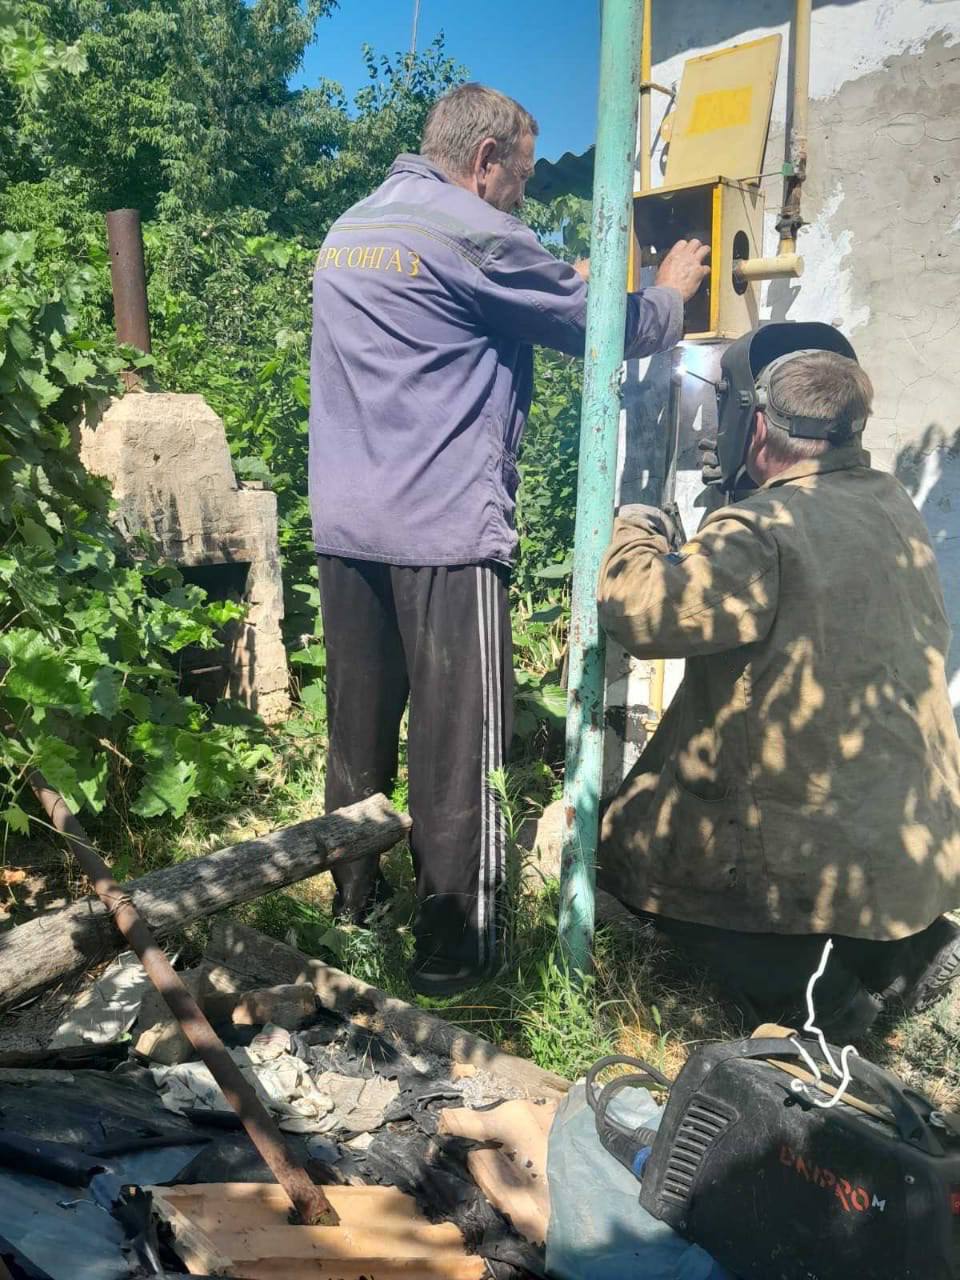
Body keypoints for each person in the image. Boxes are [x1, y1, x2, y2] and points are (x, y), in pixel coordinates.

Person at [309, 83, 708, 996]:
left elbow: (464, 311)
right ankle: (455, 954)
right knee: (459, 750)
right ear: (485, 161)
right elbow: (603, 330)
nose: (523, 195)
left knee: (357, 732)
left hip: (346, 527)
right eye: (521, 177)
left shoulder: (357, 225)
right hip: (443, 531)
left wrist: (547, 269)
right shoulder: (478, 233)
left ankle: (350, 908)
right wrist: (670, 296)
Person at [597, 323, 960, 1040]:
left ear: (757, 426)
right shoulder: (891, 503)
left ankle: (822, 1000)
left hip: (814, 830)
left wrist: (636, 527)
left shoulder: (762, 530)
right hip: (909, 830)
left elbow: (644, 615)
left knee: (629, 852)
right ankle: (915, 948)